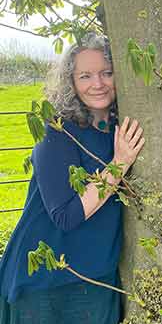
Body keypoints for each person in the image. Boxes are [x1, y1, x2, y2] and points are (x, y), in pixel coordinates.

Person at [0, 33, 145, 323]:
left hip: (97, 275)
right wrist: (119, 164)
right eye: (85, 75)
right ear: (71, 81)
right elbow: (66, 216)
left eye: (107, 72)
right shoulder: (57, 131)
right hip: (45, 280)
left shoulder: (122, 126)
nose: (98, 83)